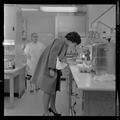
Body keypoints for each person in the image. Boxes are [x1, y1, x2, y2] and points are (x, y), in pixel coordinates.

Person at [32, 32, 81, 116]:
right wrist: (51, 68)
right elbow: (53, 54)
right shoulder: (60, 41)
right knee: (48, 89)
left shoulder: (64, 44)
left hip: (54, 66)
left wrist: (71, 60)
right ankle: (45, 112)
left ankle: (53, 108)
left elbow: (61, 57)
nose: (74, 46)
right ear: (72, 41)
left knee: (53, 89)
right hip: (49, 66)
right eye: (75, 45)